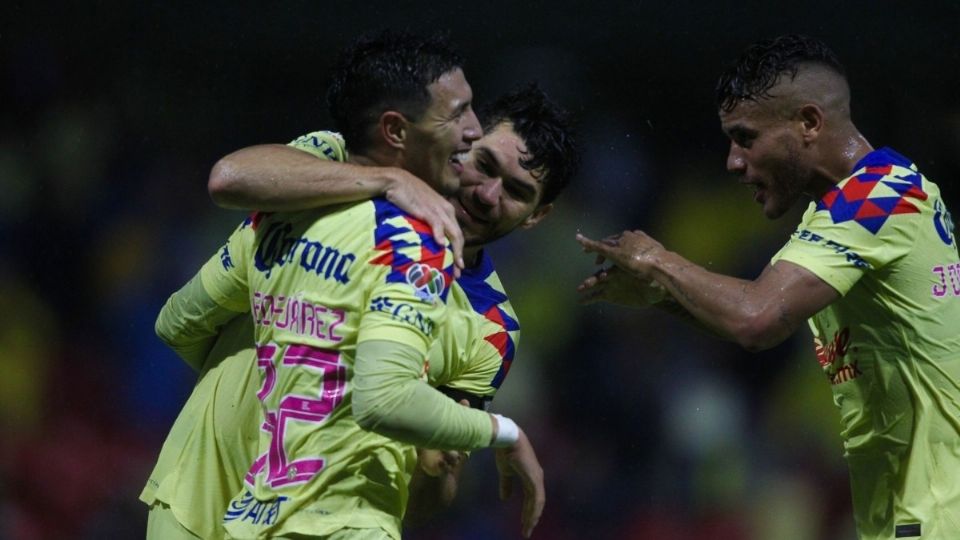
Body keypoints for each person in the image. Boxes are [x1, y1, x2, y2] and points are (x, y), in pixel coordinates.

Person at [140, 30, 543, 540]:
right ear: (399, 131)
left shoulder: (491, 326)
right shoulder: (323, 168)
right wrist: (389, 182)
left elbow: (426, 488)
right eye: (484, 160)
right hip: (217, 498)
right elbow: (226, 183)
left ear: (538, 216)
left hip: (262, 512)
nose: (486, 193)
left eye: (516, 191)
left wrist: (435, 462)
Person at [576, 34, 960, 539]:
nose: (733, 161)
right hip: (905, 516)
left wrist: (659, 262)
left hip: (935, 518)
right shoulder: (869, 198)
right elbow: (763, 321)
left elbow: (756, 318)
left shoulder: (875, 200)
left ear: (808, 123)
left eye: (746, 137)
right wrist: (662, 297)